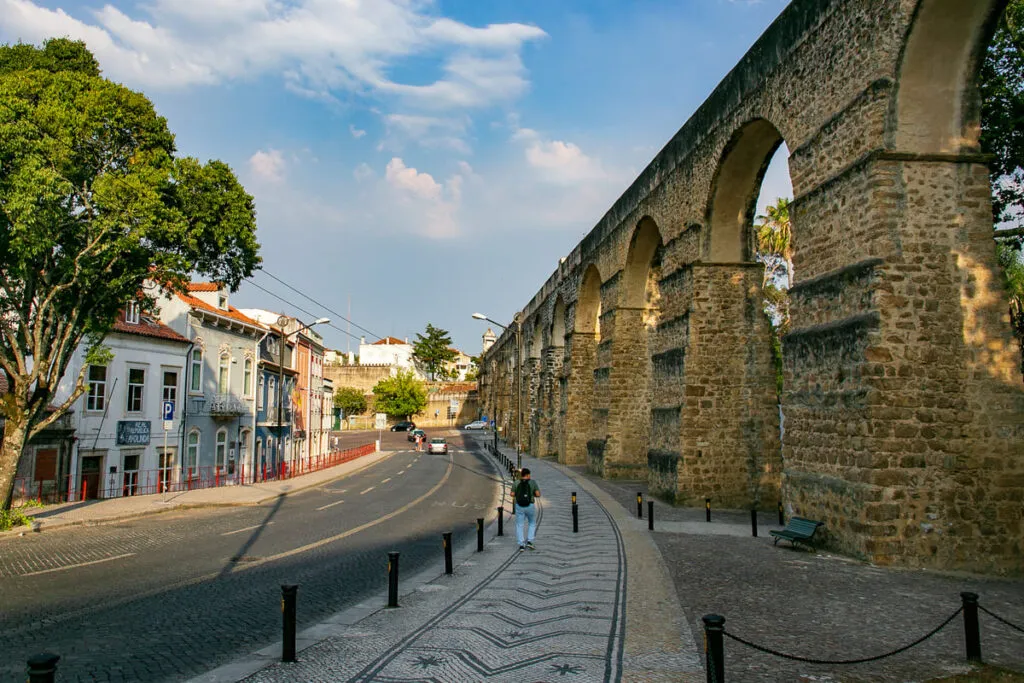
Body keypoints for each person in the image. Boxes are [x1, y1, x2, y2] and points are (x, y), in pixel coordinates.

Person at [514, 468, 540, 551]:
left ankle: (521, 544)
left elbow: (512, 494)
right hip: (530, 505)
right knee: (532, 522)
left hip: (519, 506)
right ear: (528, 475)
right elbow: (538, 494)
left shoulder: (516, 482)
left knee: (519, 525)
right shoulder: (532, 482)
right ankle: (529, 541)